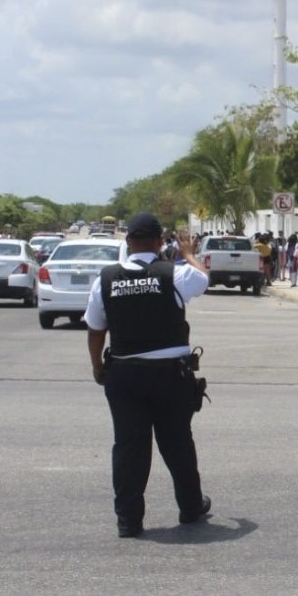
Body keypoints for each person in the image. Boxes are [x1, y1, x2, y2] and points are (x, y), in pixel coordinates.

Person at [85, 213, 211, 538]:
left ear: (127, 243)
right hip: (171, 377)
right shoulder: (175, 274)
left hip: (125, 375)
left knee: (129, 447)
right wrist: (187, 254)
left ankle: (128, 520)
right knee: (177, 442)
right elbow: (204, 278)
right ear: (158, 242)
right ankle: (190, 506)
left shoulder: (106, 279)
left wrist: (98, 367)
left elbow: (96, 330)